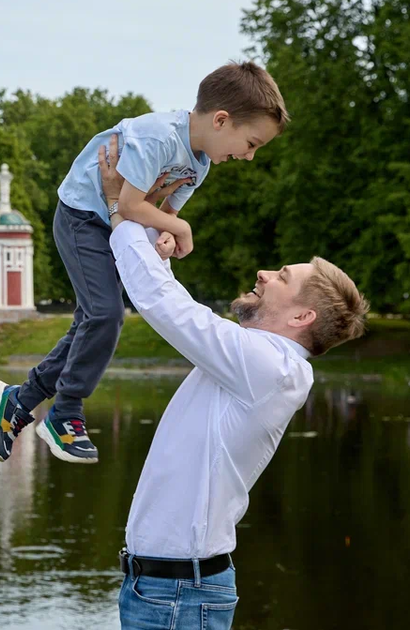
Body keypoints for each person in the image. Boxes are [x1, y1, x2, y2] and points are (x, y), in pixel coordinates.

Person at [95, 143, 369, 629]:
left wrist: (121, 209)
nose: (264, 273)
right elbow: (178, 306)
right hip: (166, 590)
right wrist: (152, 234)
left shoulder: (272, 367)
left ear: (301, 317)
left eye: (281, 276)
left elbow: (166, 308)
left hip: (178, 594)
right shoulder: (255, 363)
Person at [0, 61, 290, 464]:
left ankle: (20, 401)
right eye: (251, 143)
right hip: (81, 217)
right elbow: (131, 205)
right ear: (221, 120)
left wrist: (167, 233)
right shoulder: (158, 137)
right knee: (105, 315)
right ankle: (65, 412)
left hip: (113, 224)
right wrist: (180, 228)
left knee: (92, 322)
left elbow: (160, 212)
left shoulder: (199, 163)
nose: (249, 156)